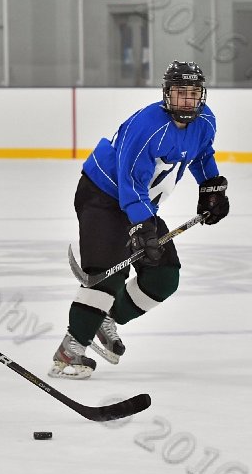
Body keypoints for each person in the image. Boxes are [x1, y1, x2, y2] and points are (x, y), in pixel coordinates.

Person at [49, 61, 230, 379]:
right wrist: (141, 226)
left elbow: (202, 154)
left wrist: (210, 187)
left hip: (140, 203)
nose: (187, 101)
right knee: (108, 276)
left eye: (193, 94)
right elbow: (129, 182)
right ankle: (70, 351)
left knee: (164, 277)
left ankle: (106, 317)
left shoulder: (205, 121)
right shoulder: (148, 127)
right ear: (166, 94)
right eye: (179, 93)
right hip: (103, 196)